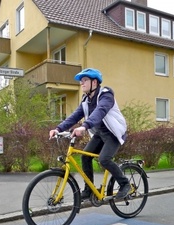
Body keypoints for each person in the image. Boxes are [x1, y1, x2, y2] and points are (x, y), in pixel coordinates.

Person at [49, 68, 130, 200]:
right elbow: (75, 116)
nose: (82, 83)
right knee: (85, 157)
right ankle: (89, 190)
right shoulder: (86, 100)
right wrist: (58, 129)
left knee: (104, 159)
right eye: (81, 81)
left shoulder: (106, 95)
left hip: (113, 134)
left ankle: (125, 184)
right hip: (99, 134)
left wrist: (85, 126)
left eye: (85, 80)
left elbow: (100, 111)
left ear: (95, 82)